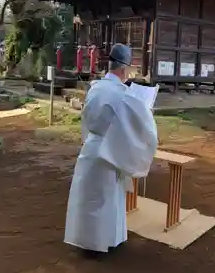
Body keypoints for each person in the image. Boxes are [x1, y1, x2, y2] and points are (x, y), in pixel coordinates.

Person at [64, 43, 158, 259]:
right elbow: (143, 128)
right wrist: (146, 111)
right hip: (109, 150)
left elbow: (87, 120)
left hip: (91, 147)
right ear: (124, 69)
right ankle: (103, 243)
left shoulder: (96, 87)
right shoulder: (123, 95)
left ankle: (86, 242)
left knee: (89, 198)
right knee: (106, 199)